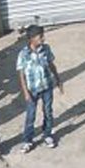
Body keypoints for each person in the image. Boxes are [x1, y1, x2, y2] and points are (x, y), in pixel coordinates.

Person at [16, 24, 63, 152]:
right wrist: (26, 92)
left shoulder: (46, 49)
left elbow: (51, 64)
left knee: (48, 111)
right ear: (32, 38)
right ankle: (28, 140)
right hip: (32, 90)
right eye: (40, 36)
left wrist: (58, 79)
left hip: (47, 86)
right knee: (31, 115)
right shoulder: (23, 54)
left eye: (43, 36)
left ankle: (47, 134)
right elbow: (21, 75)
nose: (43, 38)